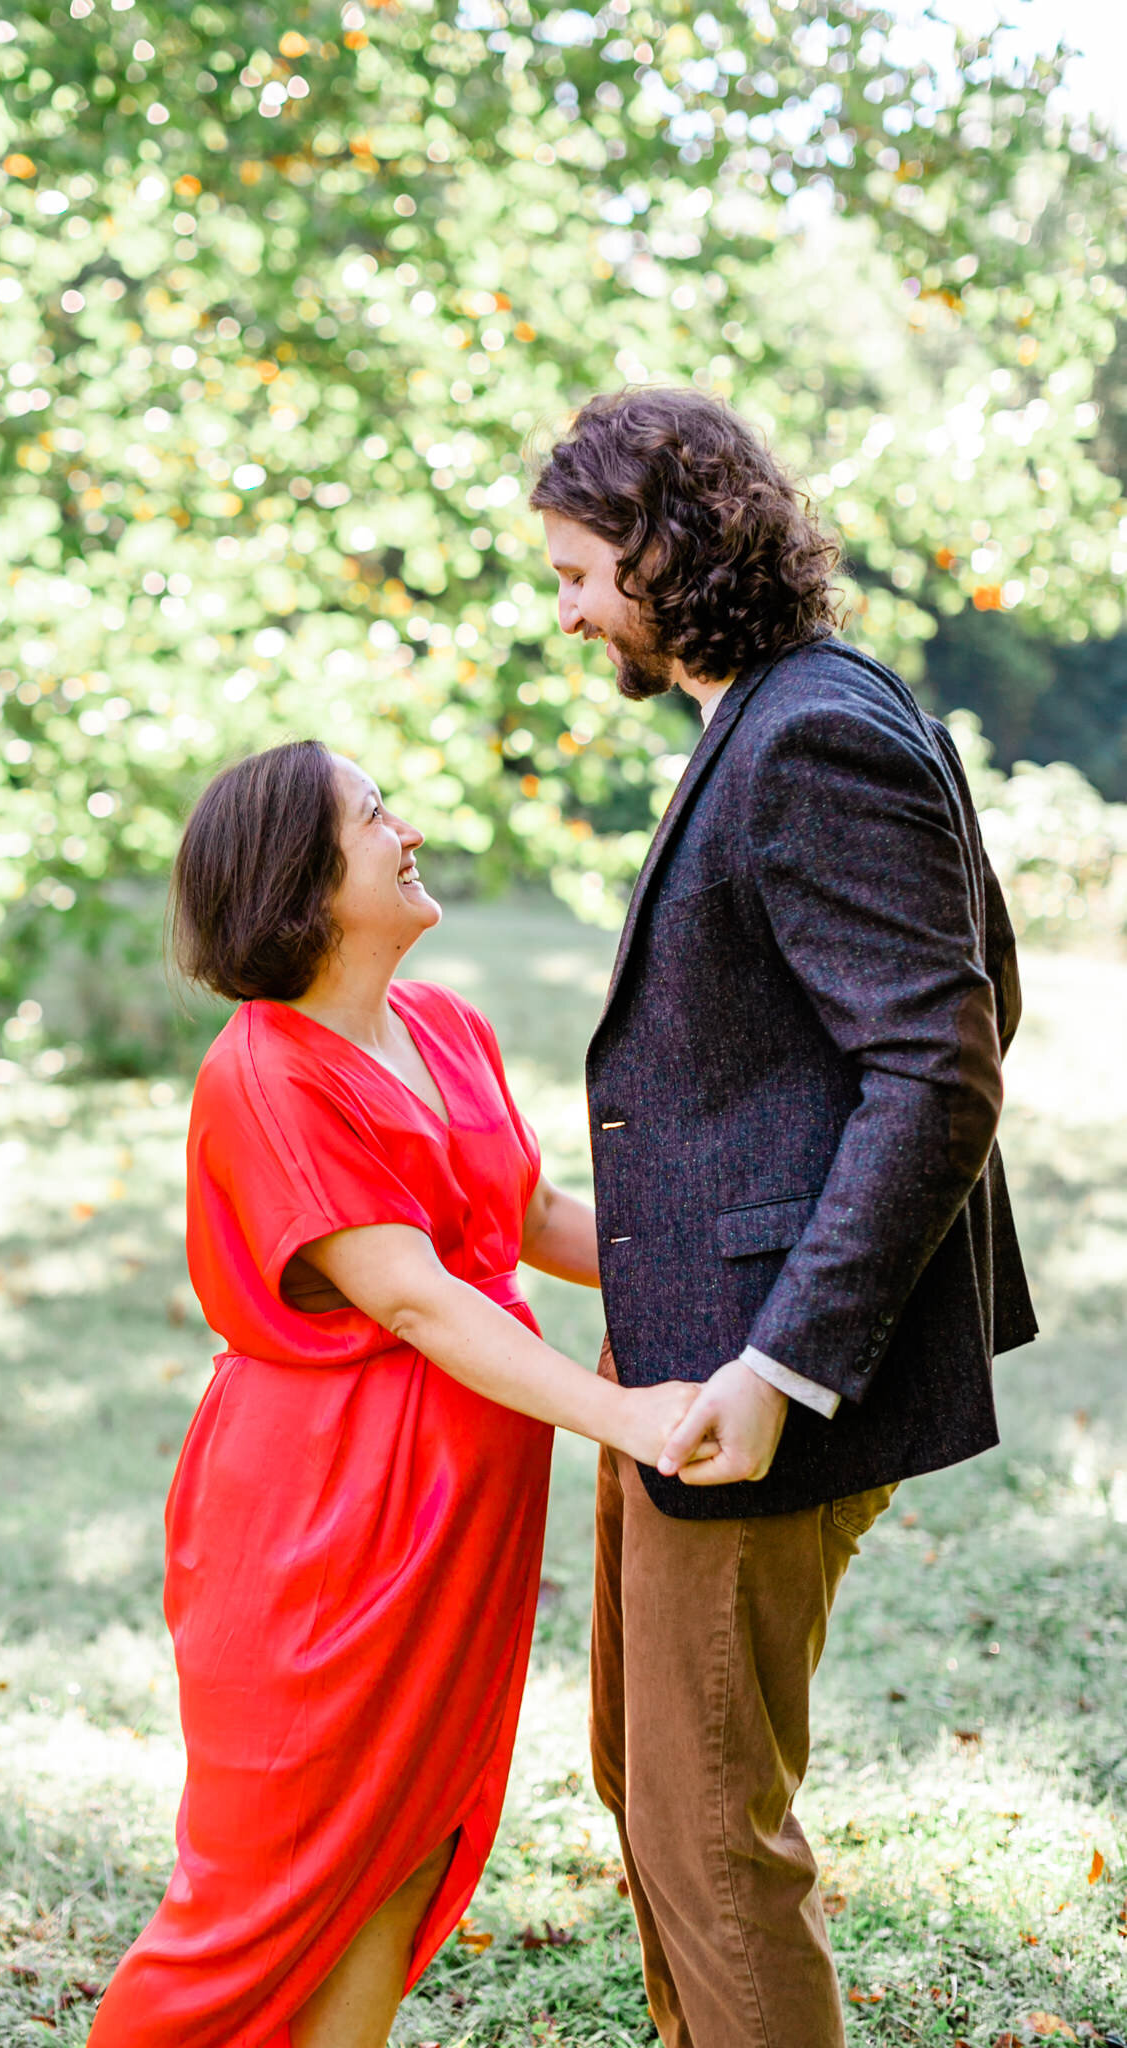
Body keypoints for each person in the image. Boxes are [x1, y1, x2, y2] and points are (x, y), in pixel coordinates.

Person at [529, 386, 1037, 2048]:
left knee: (705, 1828)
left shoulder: (812, 726)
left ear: (669, 549)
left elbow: (938, 1064)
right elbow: (963, 1004)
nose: (569, 608)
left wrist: (786, 1356)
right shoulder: (784, 710)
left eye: (581, 570)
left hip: (751, 1388)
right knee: (648, 1783)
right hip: (687, 1354)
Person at [87, 739, 696, 2048]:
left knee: (410, 1843)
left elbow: (524, 1214)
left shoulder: (444, 1027)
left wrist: (732, 1254)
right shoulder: (264, 1076)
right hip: (321, 1531)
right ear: (301, 880)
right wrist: (629, 1418)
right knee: (264, 1891)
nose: (405, 830)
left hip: (455, 1531)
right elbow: (414, 1296)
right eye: (374, 817)